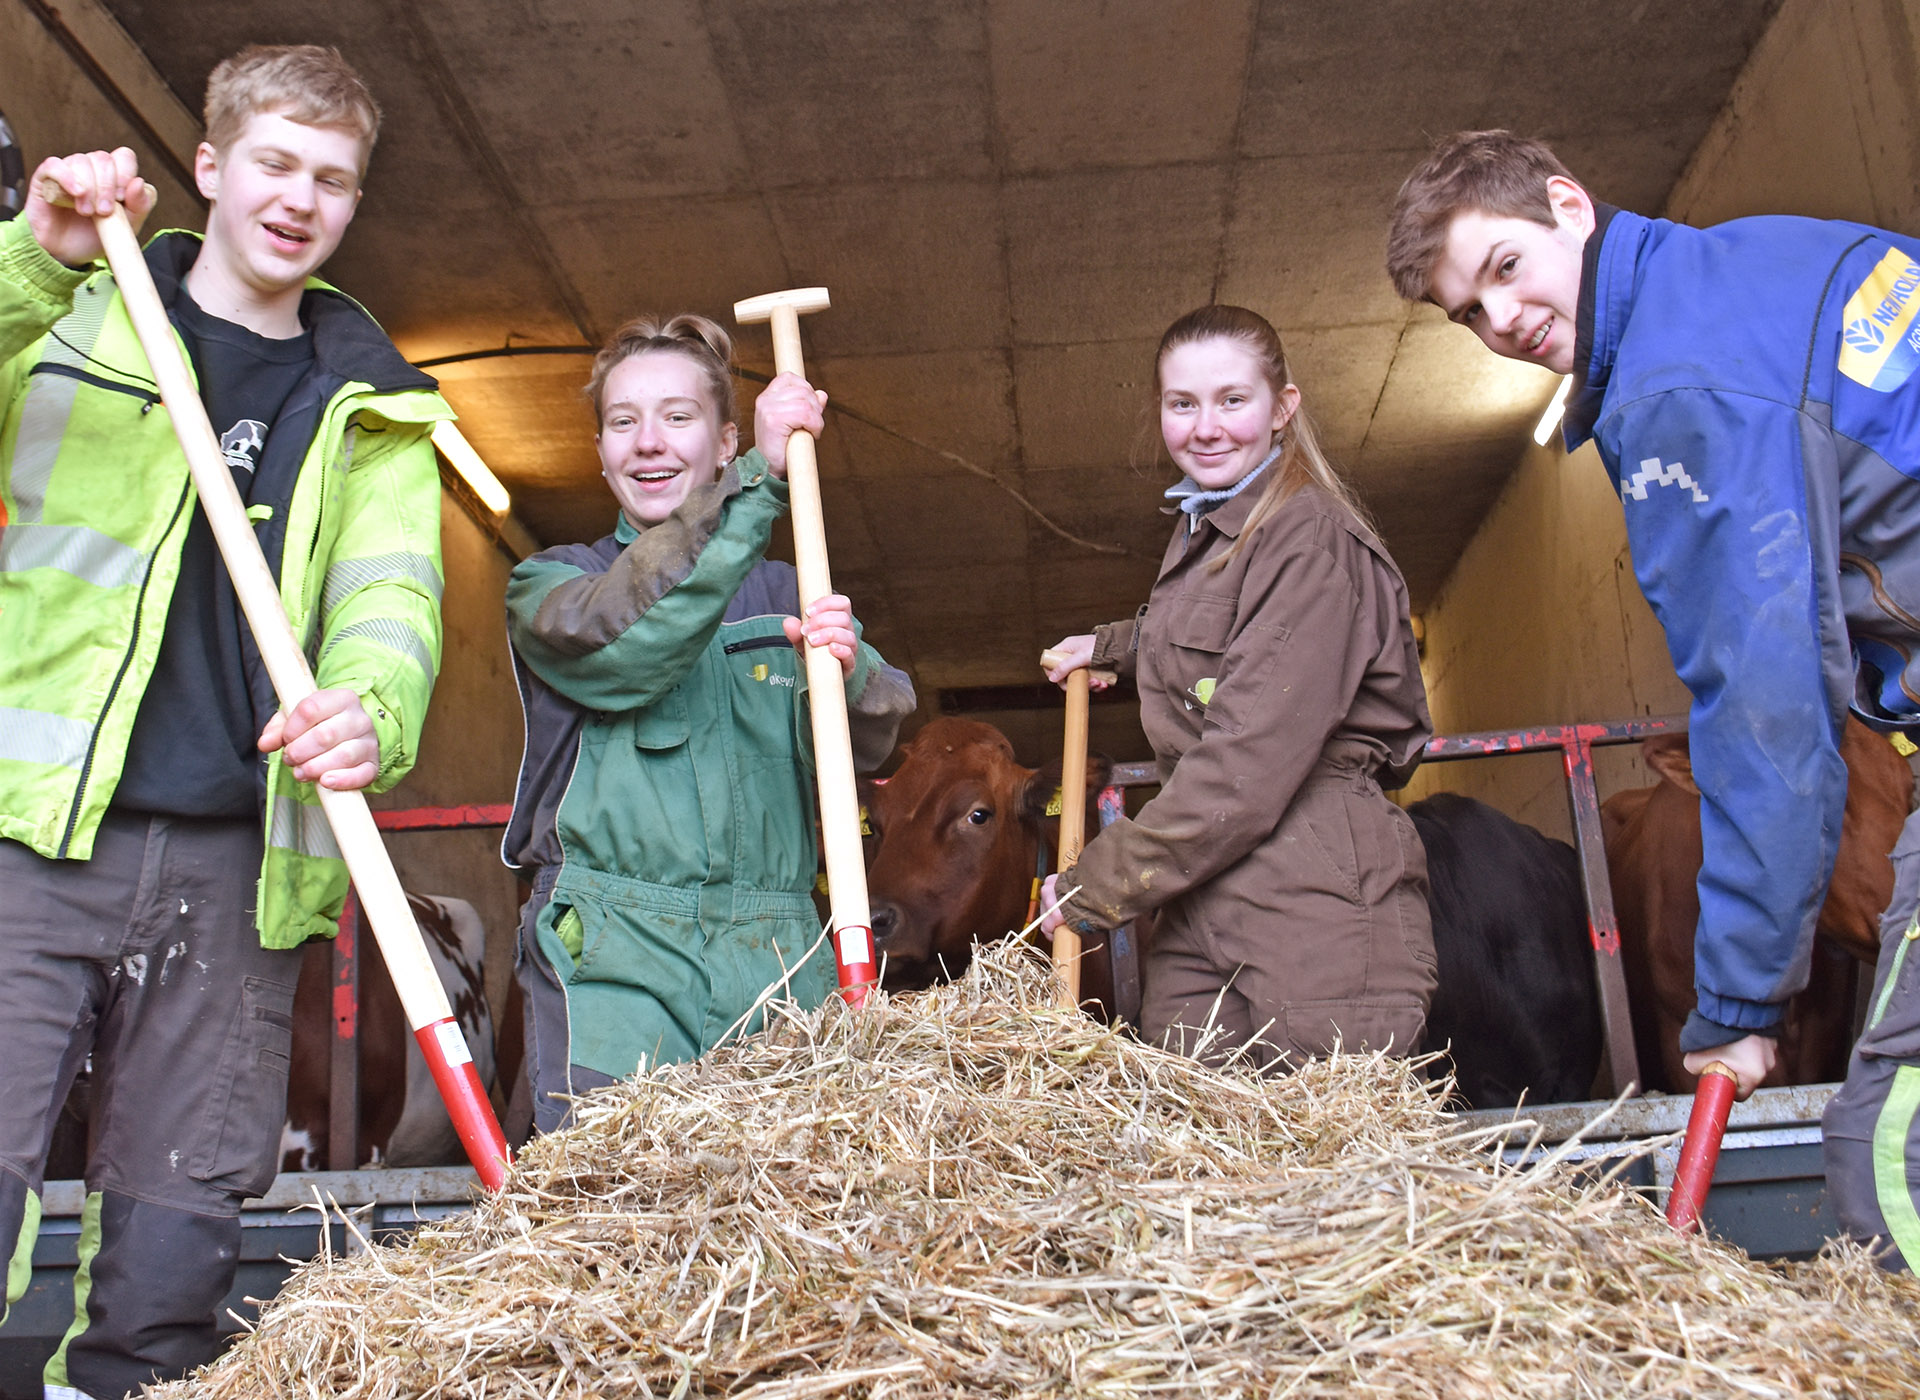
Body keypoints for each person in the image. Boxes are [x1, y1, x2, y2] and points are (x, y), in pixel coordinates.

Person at [1386, 128, 1920, 1268]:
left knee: (1891, 1156)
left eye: (1505, 268)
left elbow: (1767, 702)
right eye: (1467, 312)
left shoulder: (1680, 387)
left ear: (1569, 204)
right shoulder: (1759, 265)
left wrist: (1734, 1002)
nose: (1501, 320)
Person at [0, 45, 449, 1396]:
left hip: (237, 857)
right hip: (35, 831)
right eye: (274, 164)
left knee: (181, 1217)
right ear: (210, 167)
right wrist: (32, 252)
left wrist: (372, 712)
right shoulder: (79, 319)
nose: (300, 200)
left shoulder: (372, 407)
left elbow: (392, 604)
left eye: (335, 180)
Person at [502, 314, 913, 1133]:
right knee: (615, 1214)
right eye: (624, 422)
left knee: (794, 1221)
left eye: (678, 417)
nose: (647, 442)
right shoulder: (552, 584)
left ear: (724, 441)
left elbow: (875, 737)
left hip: (780, 956)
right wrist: (759, 485)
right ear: (600, 451)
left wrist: (850, 671)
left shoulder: (787, 590)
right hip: (617, 957)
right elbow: (628, 639)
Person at [1040, 305, 1435, 1072]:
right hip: (1206, 886)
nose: (1205, 427)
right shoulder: (1209, 529)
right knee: (1190, 1158)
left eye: (1232, 400)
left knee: (1334, 1171)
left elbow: (1249, 759)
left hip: (1309, 881)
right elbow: (1223, 635)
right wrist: (1116, 645)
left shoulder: (1307, 534)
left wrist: (1094, 886)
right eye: (1182, 404)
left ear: (1283, 407)